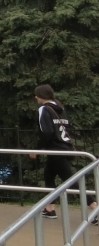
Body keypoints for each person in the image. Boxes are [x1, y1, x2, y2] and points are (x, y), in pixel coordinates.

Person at [28, 85, 98, 222]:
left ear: (42, 95)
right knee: (48, 176)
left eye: (36, 95)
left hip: (55, 150)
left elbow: (46, 132)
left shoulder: (44, 109)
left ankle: (95, 208)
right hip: (64, 147)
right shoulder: (60, 108)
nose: (35, 97)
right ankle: (50, 209)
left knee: (71, 181)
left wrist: (37, 149)